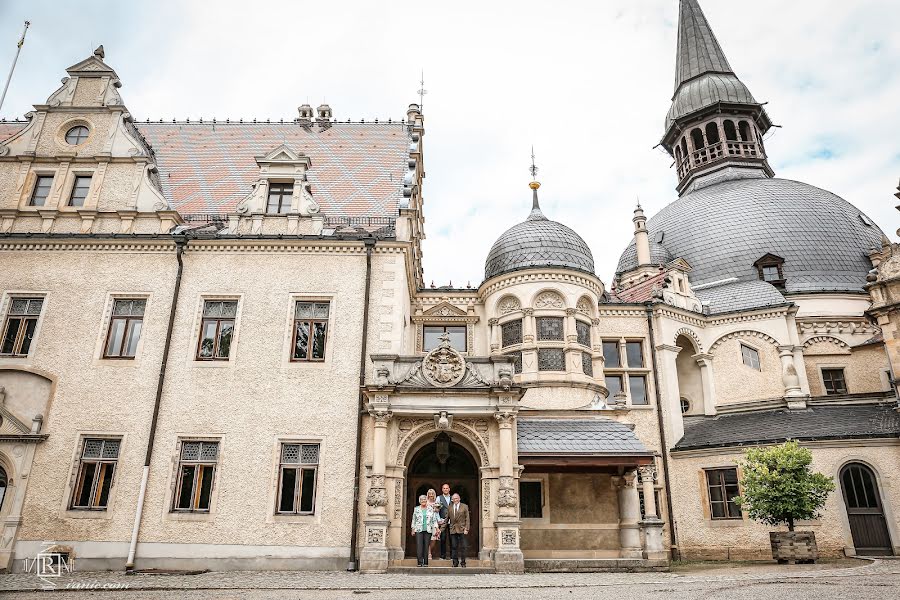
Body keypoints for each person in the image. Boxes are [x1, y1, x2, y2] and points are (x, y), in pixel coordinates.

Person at [411, 494, 437, 567]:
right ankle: (419, 562)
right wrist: (413, 529)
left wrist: (436, 528)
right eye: (422, 500)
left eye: (425, 500)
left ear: (426, 501)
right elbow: (414, 520)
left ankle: (425, 562)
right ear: (420, 501)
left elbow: (434, 519)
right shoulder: (416, 509)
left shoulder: (430, 509)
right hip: (418, 529)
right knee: (419, 546)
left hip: (428, 530)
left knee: (426, 546)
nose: (423, 501)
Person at [447, 492, 470, 568]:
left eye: (456, 498)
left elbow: (467, 518)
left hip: (462, 529)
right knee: (454, 547)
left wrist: (467, 528)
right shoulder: (450, 507)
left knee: (463, 547)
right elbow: (447, 519)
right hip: (453, 529)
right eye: (453, 499)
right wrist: (441, 529)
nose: (455, 500)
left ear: (459, 499)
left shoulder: (464, 506)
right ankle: (455, 562)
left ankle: (463, 562)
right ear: (452, 500)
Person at [436, 483, 452, 559]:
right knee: (443, 539)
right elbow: (436, 510)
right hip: (443, 522)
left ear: (449, 489)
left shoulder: (453, 498)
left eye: (447, 488)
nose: (445, 489)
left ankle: (453, 556)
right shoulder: (439, 498)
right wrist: (439, 520)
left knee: (452, 539)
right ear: (442, 489)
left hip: (452, 522)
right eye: (444, 488)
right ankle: (442, 556)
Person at [425, 488, 442, 560]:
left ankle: (429, 550)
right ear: (428, 494)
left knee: (434, 539)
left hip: (435, 523)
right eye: (430, 493)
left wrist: (439, 520)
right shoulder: (425, 502)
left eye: (432, 494)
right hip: (428, 522)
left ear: (434, 494)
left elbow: (437, 512)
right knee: (428, 538)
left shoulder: (436, 502)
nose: (431, 495)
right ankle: (429, 553)